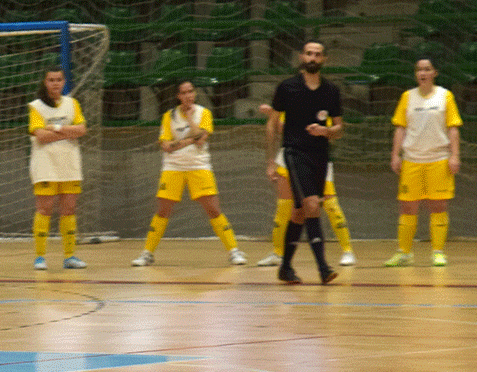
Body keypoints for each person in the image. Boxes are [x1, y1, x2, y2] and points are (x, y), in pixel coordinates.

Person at [131, 81, 248, 267]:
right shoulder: (169, 116)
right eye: (183, 92)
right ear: (178, 96)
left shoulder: (204, 113)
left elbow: (201, 141)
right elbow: (167, 147)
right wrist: (190, 139)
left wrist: (189, 121)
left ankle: (234, 251)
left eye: (190, 92)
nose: (188, 95)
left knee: (213, 209)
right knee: (163, 210)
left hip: (199, 165)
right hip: (173, 167)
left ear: (194, 94)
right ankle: (147, 253)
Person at [265, 40, 343, 284]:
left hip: (319, 155)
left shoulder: (331, 90)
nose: (313, 58)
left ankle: (285, 267)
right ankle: (323, 268)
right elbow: (272, 124)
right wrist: (270, 161)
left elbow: (339, 128)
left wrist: (326, 131)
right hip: (294, 153)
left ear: (324, 59)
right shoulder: (288, 88)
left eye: (317, 54)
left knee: (299, 212)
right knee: (311, 205)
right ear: (302, 56)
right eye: (309, 53)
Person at [255, 104, 356, 267]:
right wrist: (271, 116)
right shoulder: (292, 98)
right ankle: (277, 253)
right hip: (289, 157)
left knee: (330, 205)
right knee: (284, 206)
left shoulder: (324, 102)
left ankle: (347, 251)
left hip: (317, 158)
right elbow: (282, 129)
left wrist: (318, 130)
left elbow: (333, 133)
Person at [384, 58, 462, 267]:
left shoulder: (445, 96)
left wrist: (454, 155)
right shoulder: (407, 97)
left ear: (435, 72)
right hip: (412, 160)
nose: (423, 73)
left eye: (427, 69)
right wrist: (395, 154)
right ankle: (404, 252)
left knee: (438, 205)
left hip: (438, 159)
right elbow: (400, 128)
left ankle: (437, 251)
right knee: (407, 207)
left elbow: (453, 128)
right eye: (419, 69)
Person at [28, 66, 88, 270]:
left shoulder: (72, 104)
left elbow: (82, 130)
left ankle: (70, 256)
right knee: (45, 209)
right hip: (45, 165)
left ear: (64, 82)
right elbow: (40, 136)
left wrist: (57, 128)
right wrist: (67, 133)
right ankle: (40, 256)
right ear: (45, 83)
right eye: (51, 80)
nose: (55, 83)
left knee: (69, 209)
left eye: (58, 79)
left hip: (69, 164)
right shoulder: (36, 106)